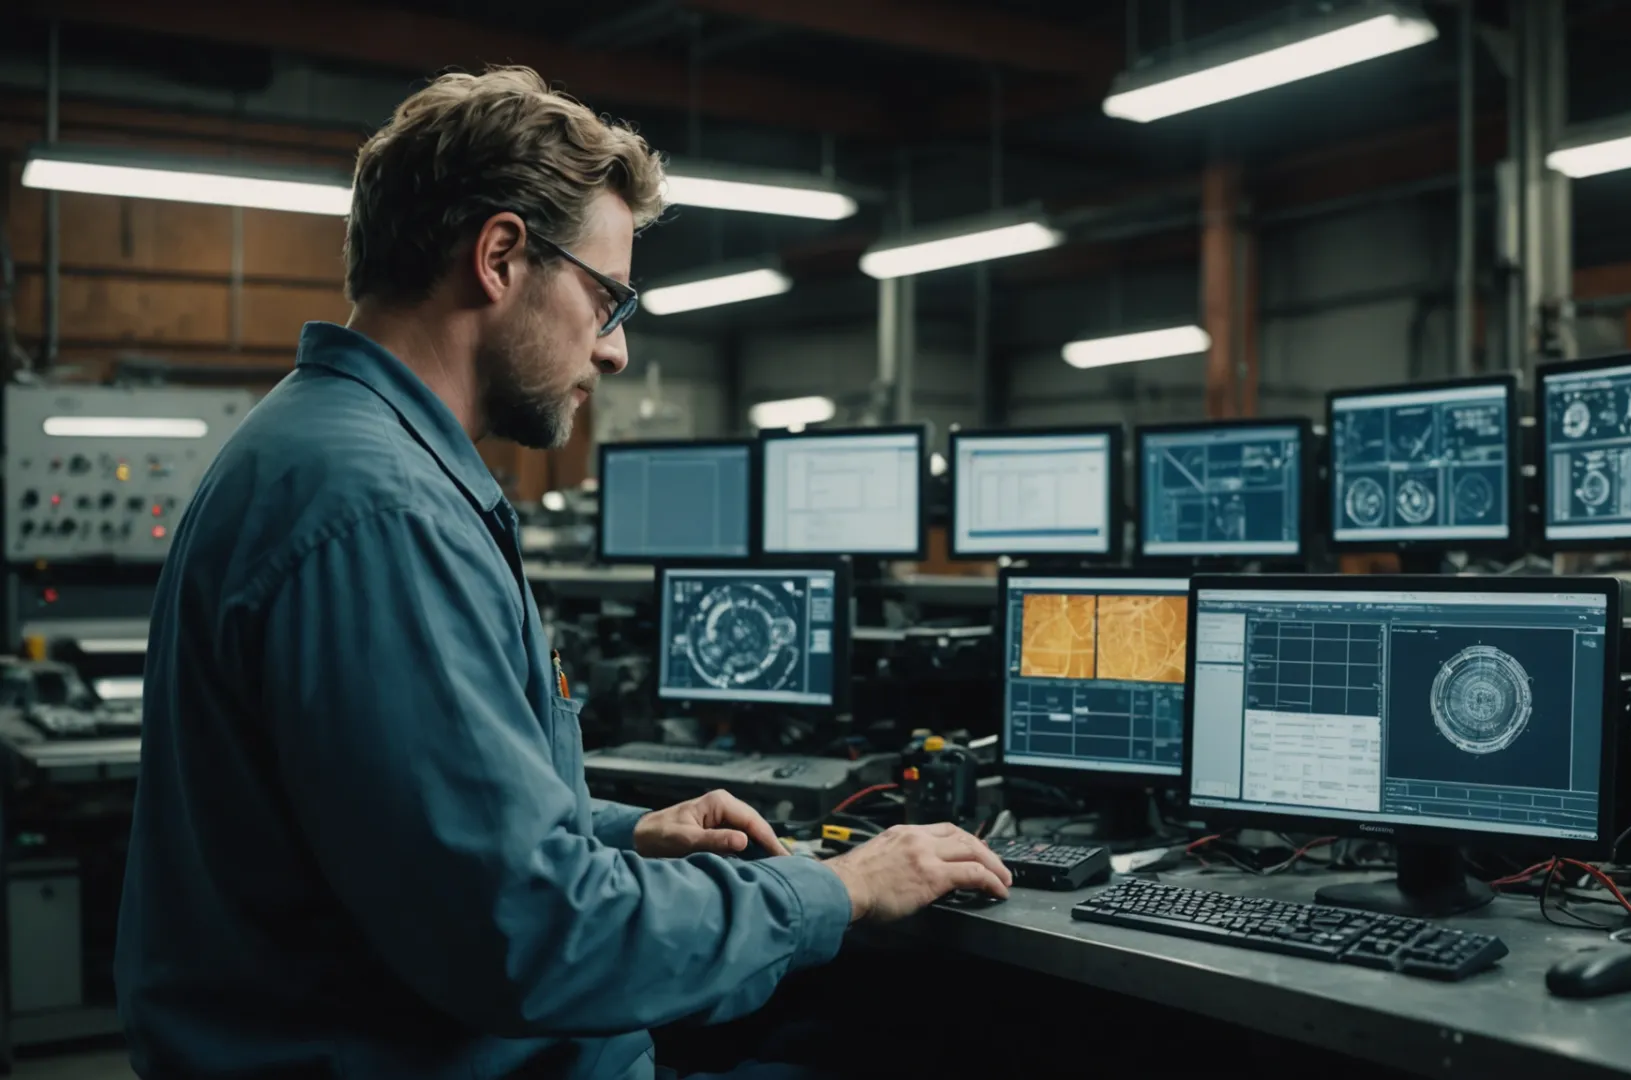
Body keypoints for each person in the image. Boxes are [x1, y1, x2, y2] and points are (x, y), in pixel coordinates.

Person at [114, 66, 1012, 1080]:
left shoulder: (318, 450)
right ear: (499, 256)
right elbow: (531, 936)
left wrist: (625, 833)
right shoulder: (382, 513)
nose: (616, 350)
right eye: (607, 297)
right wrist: (840, 889)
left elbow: (408, 823)